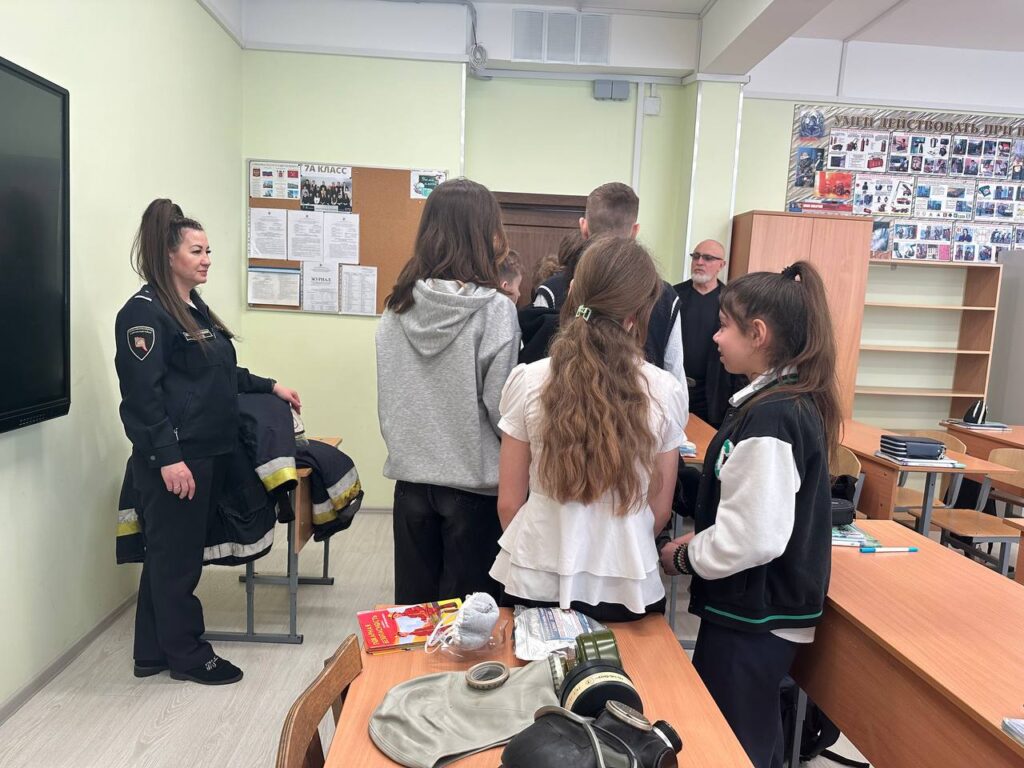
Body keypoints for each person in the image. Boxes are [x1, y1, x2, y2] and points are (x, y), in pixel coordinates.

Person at [658, 261, 839, 768]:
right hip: (756, 612)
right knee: (753, 733)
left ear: (758, 334)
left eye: (724, 327)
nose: (715, 337)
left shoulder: (773, 416)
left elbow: (755, 536)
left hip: (756, 616)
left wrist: (686, 556)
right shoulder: (772, 403)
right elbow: (741, 492)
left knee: (734, 743)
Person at [114, 199, 301, 685]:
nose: (207, 260)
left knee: (168, 558)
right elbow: (142, 399)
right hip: (177, 460)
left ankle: (151, 653)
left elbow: (218, 373)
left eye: (208, 251)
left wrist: (270, 386)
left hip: (205, 453)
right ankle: (189, 656)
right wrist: (168, 459)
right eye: (196, 251)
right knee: (177, 566)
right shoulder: (144, 315)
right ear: (168, 254)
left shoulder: (192, 310)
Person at [491, 237, 687, 622]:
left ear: (573, 291)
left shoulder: (528, 380)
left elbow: (508, 504)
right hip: (628, 579)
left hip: (536, 575)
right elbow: (659, 509)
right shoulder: (665, 391)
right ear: (640, 311)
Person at [376, 178, 520, 605]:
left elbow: (391, 394)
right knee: (470, 623)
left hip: (411, 484)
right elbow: (502, 411)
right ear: (486, 234)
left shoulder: (396, 306)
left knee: (415, 618)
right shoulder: (496, 310)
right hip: (474, 488)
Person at [525, 183, 686, 391]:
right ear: (635, 230)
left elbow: (535, 382)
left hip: (559, 406)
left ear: (583, 227)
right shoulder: (665, 297)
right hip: (644, 408)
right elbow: (676, 377)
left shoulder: (551, 291)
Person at [672, 239, 745, 428]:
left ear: (722, 265)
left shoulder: (732, 301)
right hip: (674, 388)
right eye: (696, 256)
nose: (699, 262)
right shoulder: (673, 296)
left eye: (708, 258)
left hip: (714, 394)